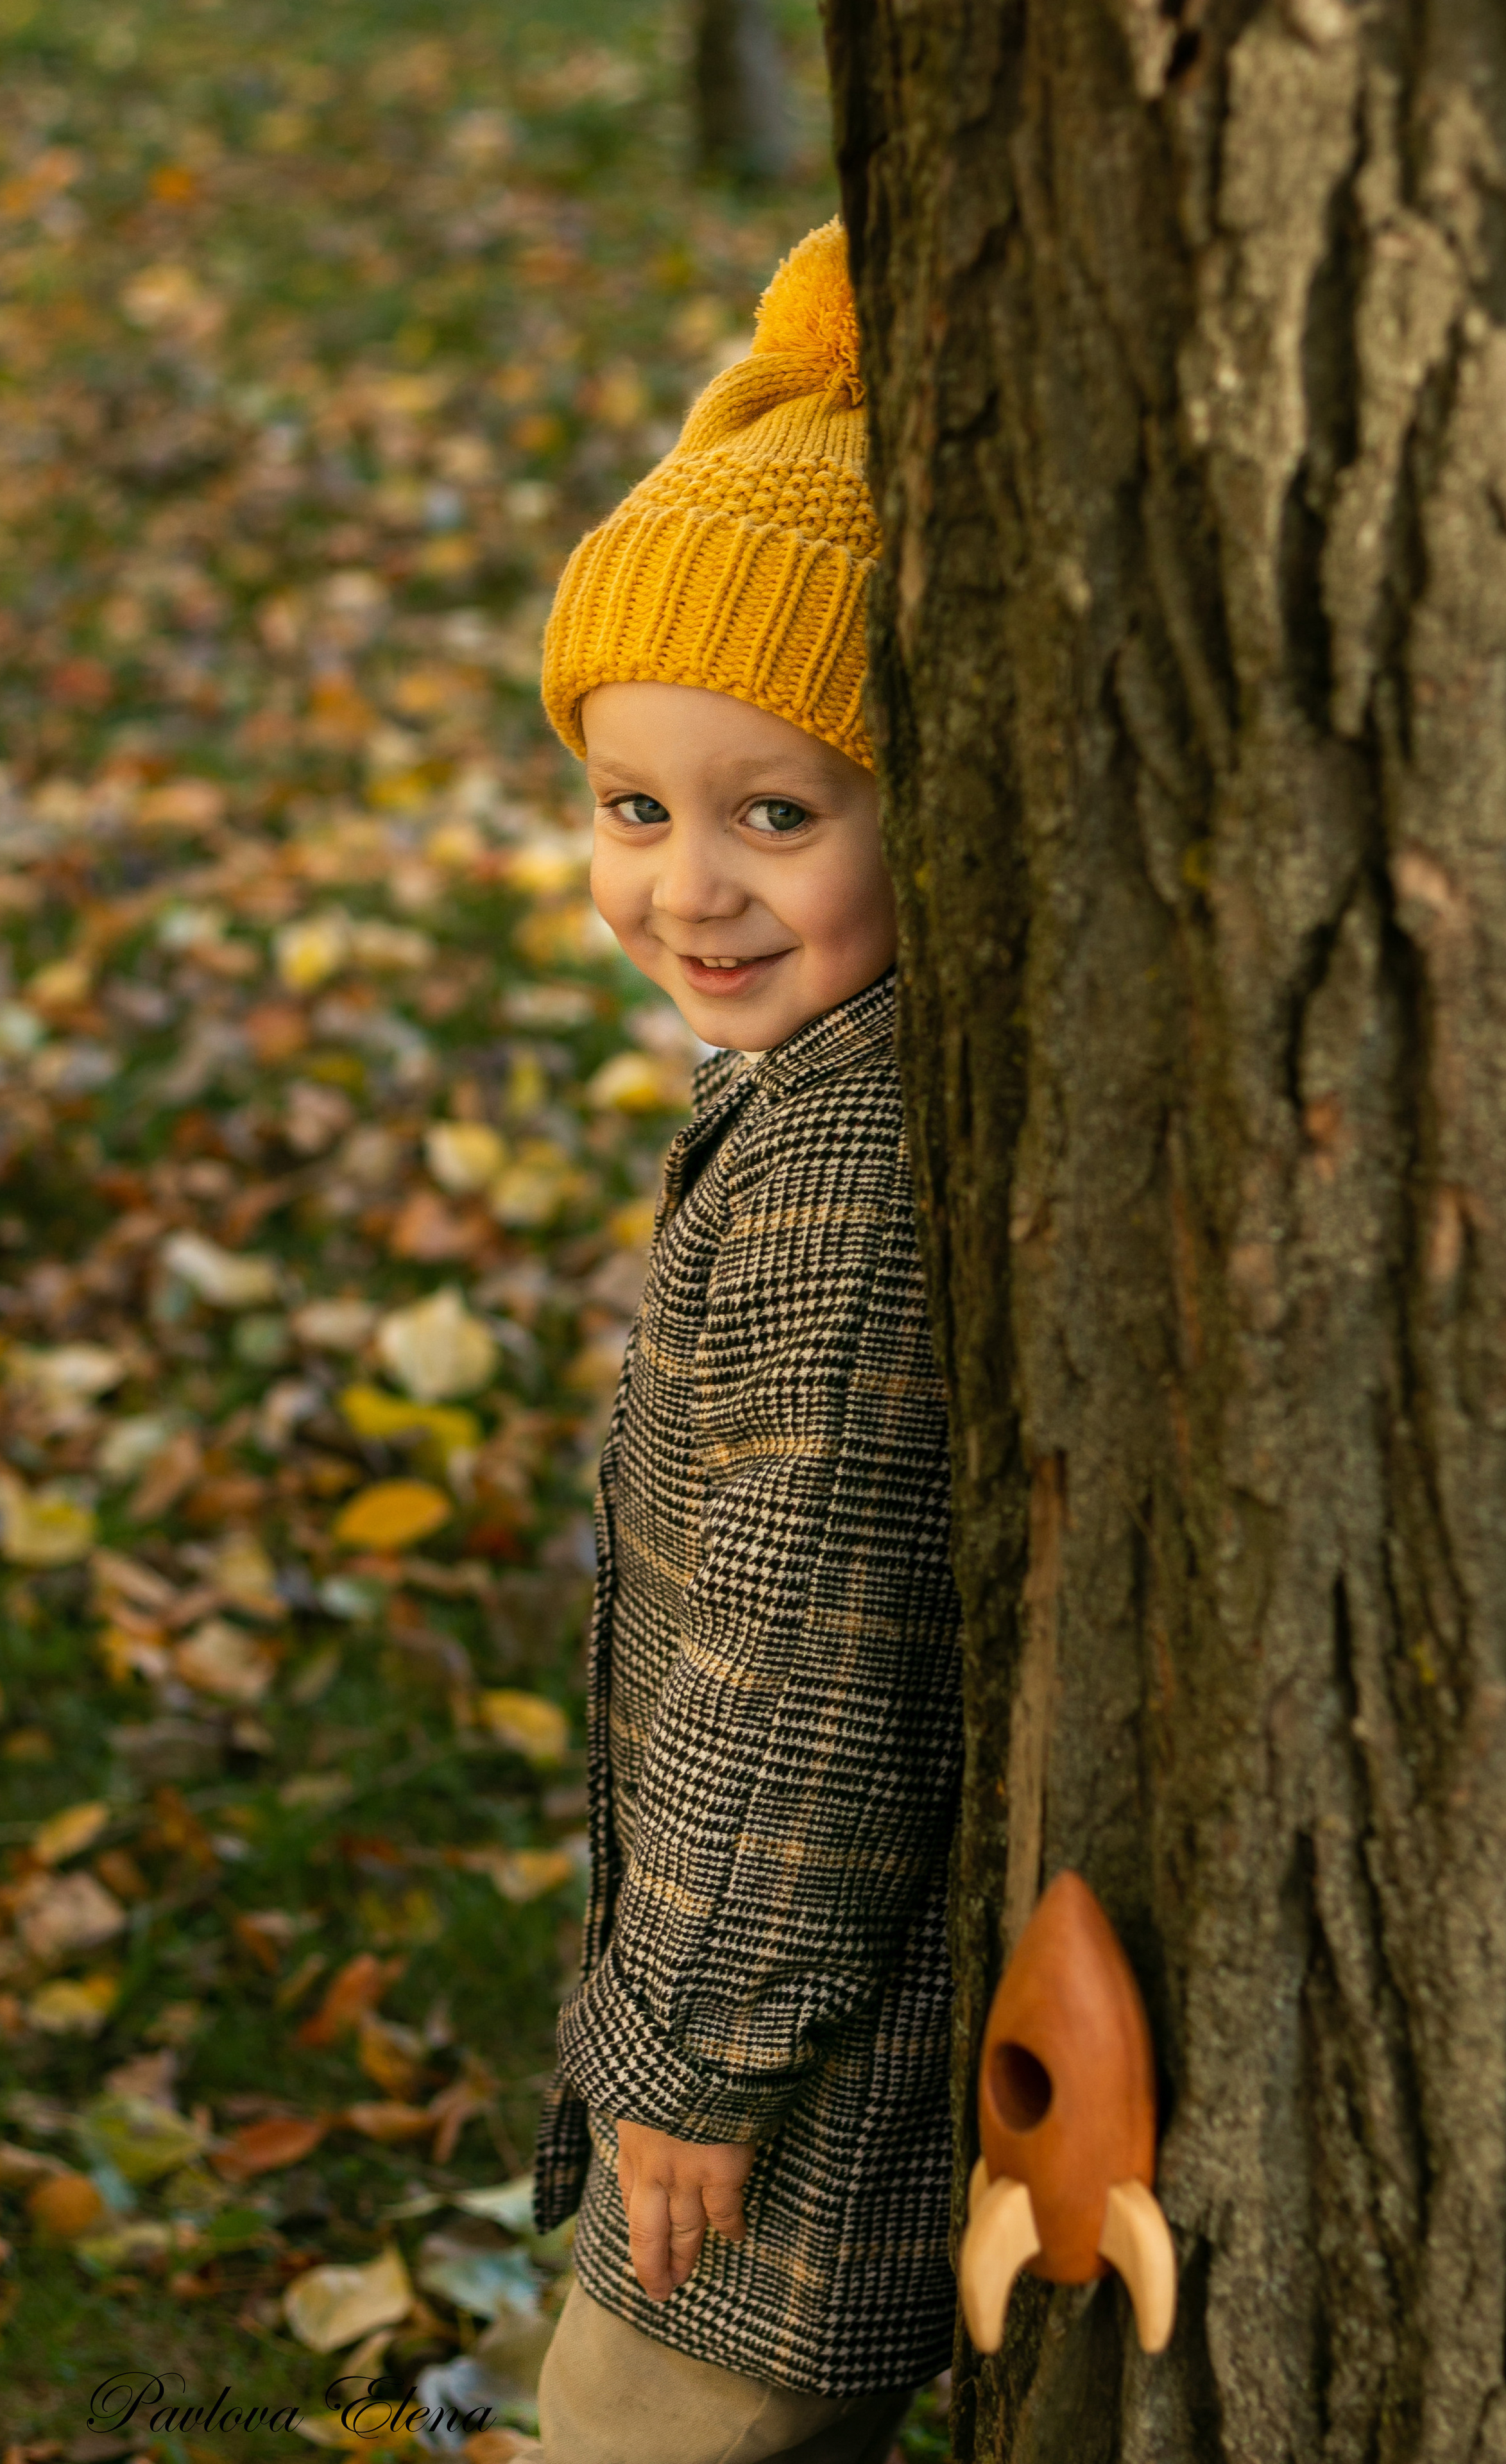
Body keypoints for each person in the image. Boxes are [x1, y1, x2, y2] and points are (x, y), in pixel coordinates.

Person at [530, 218, 963, 2464]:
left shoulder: (839, 1181)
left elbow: (809, 1660)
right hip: (753, 2055)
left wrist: (685, 2065)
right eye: (633, 810)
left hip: (775, 2124)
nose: (684, 889)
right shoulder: (808, 1090)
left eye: (774, 817)